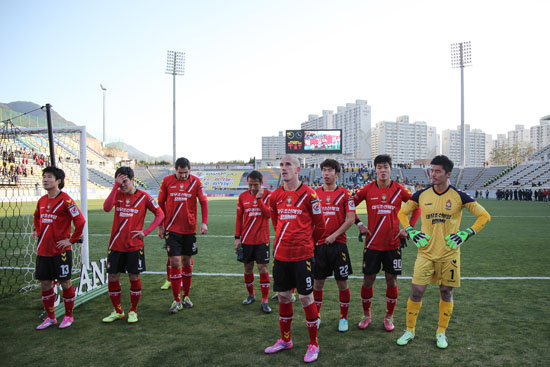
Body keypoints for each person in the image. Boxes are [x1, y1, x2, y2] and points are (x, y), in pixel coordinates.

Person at [396, 155, 491, 349]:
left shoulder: (459, 196)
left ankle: (441, 332)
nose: (433, 174)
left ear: (448, 174)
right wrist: (411, 230)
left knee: (446, 292)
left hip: (450, 254)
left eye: (438, 171)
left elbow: (484, 216)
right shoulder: (421, 195)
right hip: (425, 253)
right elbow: (402, 213)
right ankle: (409, 330)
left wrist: (466, 233)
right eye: (432, 170)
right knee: (417, 290)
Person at [264, 155, 325, 363]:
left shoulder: (310, 195)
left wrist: (307, 243)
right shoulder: (275, 196)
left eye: (288, 164)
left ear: (298, 169)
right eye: (281, 165)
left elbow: (320, 225)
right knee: (283, 296)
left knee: (306, 298)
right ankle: (285, 339)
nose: (283, 168)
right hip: (281, 255)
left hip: (303, 256)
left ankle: (313, 344)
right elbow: (275, 220)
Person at [353, 154, 420, 332]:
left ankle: (389, 316)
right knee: (368, 281)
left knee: (392, 281)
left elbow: (417, 207)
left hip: (393, 244)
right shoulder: (367, 189)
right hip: (372, 244)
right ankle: (366, 315)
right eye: (379, 167)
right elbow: (348, 205)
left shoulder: (400, 190)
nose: (383, 170)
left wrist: (409, 228)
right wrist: (359, 223)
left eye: (386, 167)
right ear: (375, 170)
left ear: (391, 169)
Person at [102, 167, 164, 323]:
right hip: (116, 244)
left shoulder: (144, 197)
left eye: (124, 181)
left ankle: (133, 311)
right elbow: (107, 208)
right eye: (119, 182)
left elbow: (160, 214)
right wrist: (115, 187)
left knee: (133, 276)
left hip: (134, 246)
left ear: (132, 180)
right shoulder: (117, 194)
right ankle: (118, 311)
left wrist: (147, 231)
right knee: (112, 276)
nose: (122, 185)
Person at [33, 166, 85, 330]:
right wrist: (37, 230)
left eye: (49, 177)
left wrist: (72, 240)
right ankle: (50, 318)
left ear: (58, 181)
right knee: (45, 284)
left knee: (65, 282)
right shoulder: (42, 200)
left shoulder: (66, 200)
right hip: (43, 250)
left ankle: (69, 316)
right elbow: (36, 217)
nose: (45, 180)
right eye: (44, 177)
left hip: (60, 251)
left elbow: (80, 221)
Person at [157, 157, 208, 312]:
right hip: (171, 229)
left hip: (189, 229)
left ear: (189, 169)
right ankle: (176, 300)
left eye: (186, 172)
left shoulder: (196, 182)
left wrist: (204, 222)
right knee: (174, 261)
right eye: (180, 173)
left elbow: (203, 201)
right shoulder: (166, 181)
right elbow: (160, 204)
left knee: (186, 261)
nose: (183, 175)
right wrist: (160, 226)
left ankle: (186, 296)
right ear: (175, 169)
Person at [312, 159, 355, 332]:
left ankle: (343, 318)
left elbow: (351, 219)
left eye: (330, 170)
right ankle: (316, 316)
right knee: (318, 283)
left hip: (338, 245)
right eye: (324, 170)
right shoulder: (313, 194)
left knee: (342, 283)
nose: (326, 174)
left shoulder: (346, 194)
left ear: (337, 174)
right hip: (319, 246)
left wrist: (334, 235)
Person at [234, 170, 272, 313]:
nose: (252, 188)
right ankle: (251, 295)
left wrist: (259, 199)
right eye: (250, 185)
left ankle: (265, 300)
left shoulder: (268, 195)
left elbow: (268, 214)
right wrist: (237, 238)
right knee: (248, 268)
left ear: (261, 184)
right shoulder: (242, 197)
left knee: (263, 268)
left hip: (262, 240)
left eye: (255, 185)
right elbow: (239, 218)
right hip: (246, 240)